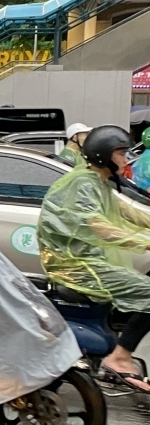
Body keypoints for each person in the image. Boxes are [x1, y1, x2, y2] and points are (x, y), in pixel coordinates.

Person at [38, 125, 150, 392]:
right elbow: (97, 225)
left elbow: (129, 213)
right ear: (104, 155)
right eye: (121, 153)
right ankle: (119, 358)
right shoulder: (82, 183)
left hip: (87, 261)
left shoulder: (97, 182)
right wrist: (145, 243)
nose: (126, 159)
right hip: (76, 266)